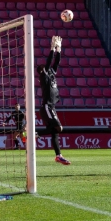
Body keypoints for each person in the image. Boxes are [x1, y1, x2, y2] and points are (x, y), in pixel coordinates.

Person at [38, 35, 71, 165]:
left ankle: (58, 156)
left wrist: (59, 49)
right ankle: (30, 134)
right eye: (45, 69)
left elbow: (56, 62)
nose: (49, 70)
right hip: (46, 106)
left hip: (51, 107)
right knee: (58, 127)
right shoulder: (43, 76)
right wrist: (52, 48)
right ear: (42, 71)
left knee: (54, 132)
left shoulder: (50, 74)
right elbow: (49, 61)